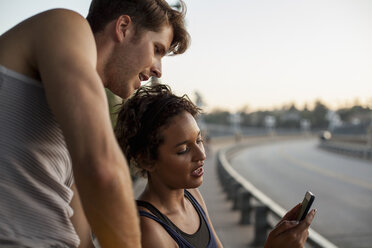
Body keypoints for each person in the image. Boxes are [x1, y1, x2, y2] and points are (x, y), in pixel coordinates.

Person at [0, 0, 189, 247]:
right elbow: (104, 171)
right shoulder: (66, 25)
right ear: (123, 27)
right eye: (157, 49)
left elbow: (81, 238)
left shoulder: (71, 121)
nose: (158, 70)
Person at [114, 84, 316, 248]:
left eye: (199, 140)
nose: (201, 155)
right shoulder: (149, 231)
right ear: (146, 160)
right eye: (183, 149)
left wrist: (277, 238)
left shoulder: (192, 197)